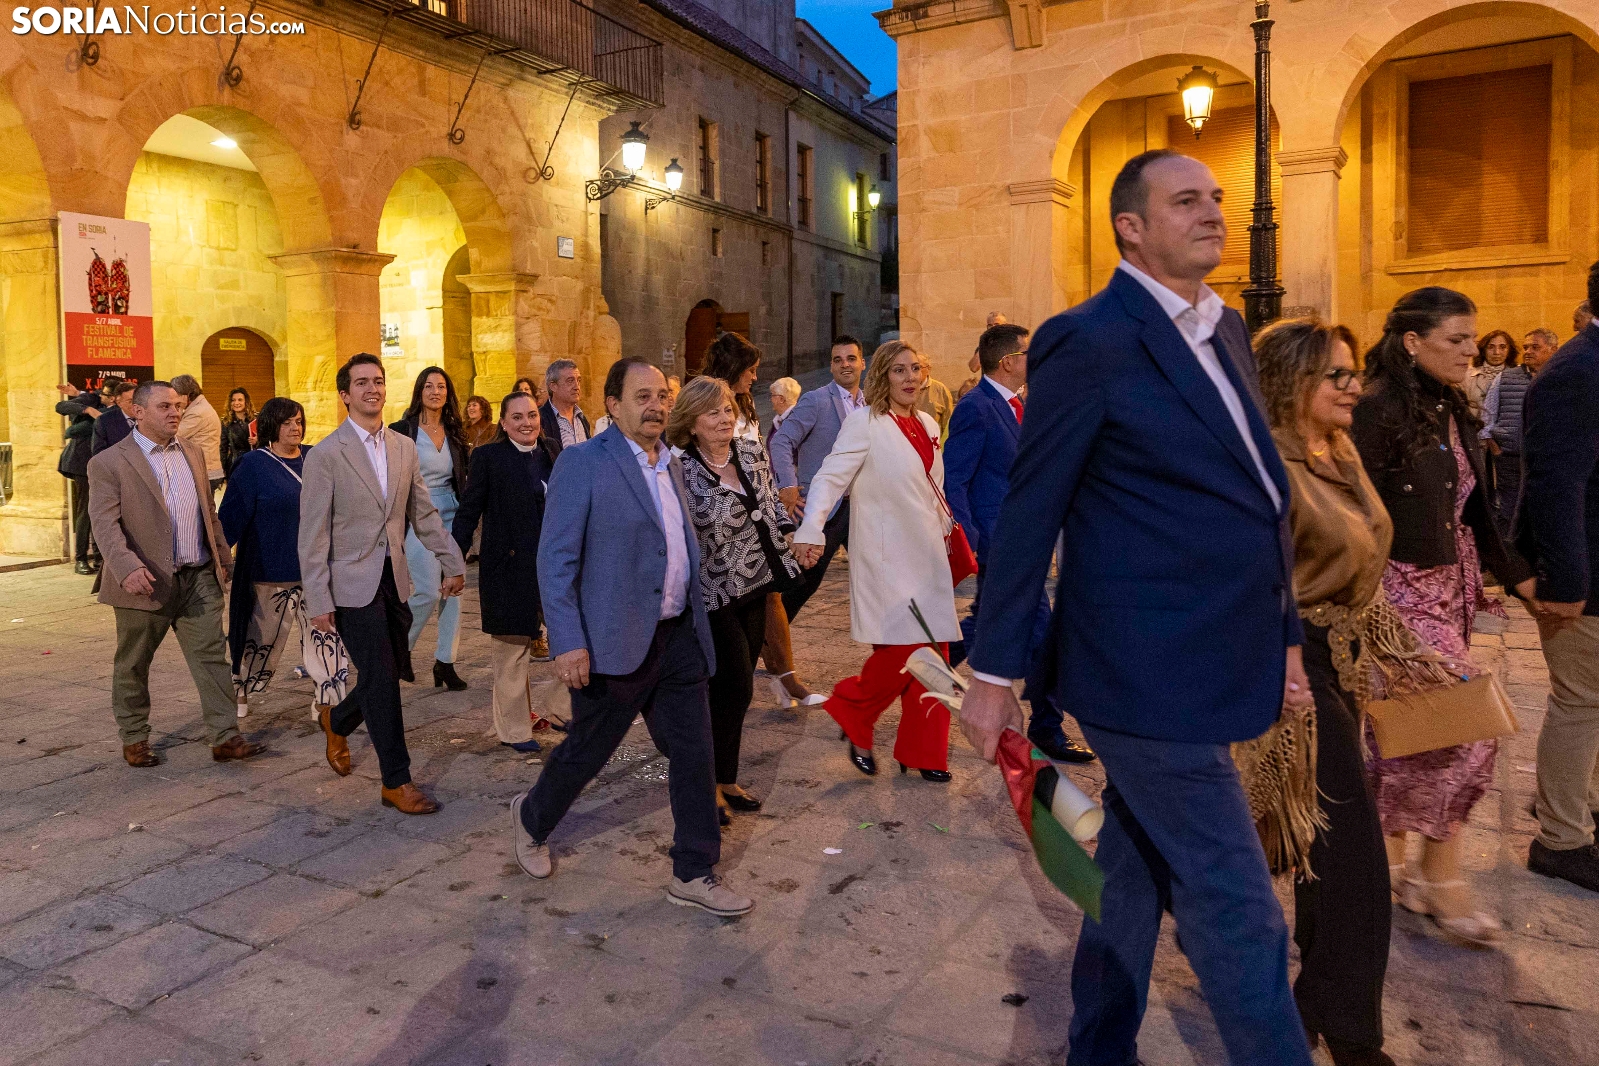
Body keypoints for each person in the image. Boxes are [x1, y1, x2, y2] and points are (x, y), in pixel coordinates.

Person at [960, 149, 1314, 1066]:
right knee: (1238, 908)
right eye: (1186, 200)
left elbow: (1259, 490)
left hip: (1213, 652)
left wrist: (1283, 633)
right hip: (1139, 672)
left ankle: (1096, 1048)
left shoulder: (1224, 327)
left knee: (1130, 869)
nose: (1214, 212)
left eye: (1216, 198)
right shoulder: (1088, 338)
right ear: (1131, 226)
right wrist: (991, 672)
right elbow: (1030, 508)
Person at [513, 357, 753, 918]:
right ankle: (531, 817)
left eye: (663, 396)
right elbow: (555, 558)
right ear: (613, 404)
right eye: (643, 396)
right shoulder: (583, 462)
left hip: (677, 635)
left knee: (695, 751)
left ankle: (693, 871)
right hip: (612, 641)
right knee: (588, 750)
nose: (657, 406)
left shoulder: (672, 463)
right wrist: (568, 640)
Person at [1351, 286, 1534, 945]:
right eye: (1456, 339)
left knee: (1412, 735)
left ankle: (1402, 869)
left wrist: (1519, 576)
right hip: (1397, 591)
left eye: (1471, 339)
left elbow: (1476, 507)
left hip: (1451, 586)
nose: (1470, 351)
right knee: (1465, 726)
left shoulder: (1449, 403)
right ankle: (1441, 878)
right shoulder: (1375, 407)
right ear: (1412, 341)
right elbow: (1355, 512)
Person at [1256, 318, 1398, 1066]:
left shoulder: (1336, 447)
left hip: (1342, 658)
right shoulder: (1267, 464)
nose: (1353, 388)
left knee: (1321, 842)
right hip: (1291, 661)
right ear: (1289, 382)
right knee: (1353, 855)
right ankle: (1350, 1031)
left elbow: (1367, 547)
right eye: (1335, 376)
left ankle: (1317, 997)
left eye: (1354, 373)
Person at [300, 353, 466, 815]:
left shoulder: (403, 447)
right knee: (381, 679)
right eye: (361, 382)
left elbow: (423, 513)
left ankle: (337, 719)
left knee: (388, 672)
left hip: (394, 578)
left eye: (378, 380)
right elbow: (312, 536)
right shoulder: (326, 455)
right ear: (345, 394)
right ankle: (397, 780)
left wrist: (452, 560)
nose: (372, 388)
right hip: (349, 584)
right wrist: (318, 599)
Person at [792, 340, 962, 781]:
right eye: (899, 370)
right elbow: (830, 477)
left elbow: (932, 489)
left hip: (927, 556)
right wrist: (811, 528)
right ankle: (852, 708)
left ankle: (924, 752)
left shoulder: (927, 423)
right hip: (887, 559)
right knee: (904, 652)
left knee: (935, 654)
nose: (910, 378)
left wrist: (949, 533)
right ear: (883, 375)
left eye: (916, 369)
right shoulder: (864, 422)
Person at [86, 380, 266, 769]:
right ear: (138, 412)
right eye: (165, 406)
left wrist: (223, 558)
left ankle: (225, 736)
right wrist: (127, 566)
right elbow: (104, 523)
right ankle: (134, 737)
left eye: (178, 406)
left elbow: (208, 511)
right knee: (133, 662)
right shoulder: (109, 462)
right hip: (145, 581)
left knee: (212, 657)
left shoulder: (192, 451)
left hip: (197, 575)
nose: (175, 413)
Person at [942, 323, 1094, 764]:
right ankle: (1048, 728)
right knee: (1043, 635)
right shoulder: (976, 407)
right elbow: (956, 480)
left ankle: (927, 666)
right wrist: (972, 541)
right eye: (1029, 351)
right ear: (1008, 361)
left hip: (1024, 540)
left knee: (986, 624)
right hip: (999, 544)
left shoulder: (1017, 404)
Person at [669, 376, 802, 823]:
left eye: (727, 409)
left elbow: (772, 503)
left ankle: (725, 778)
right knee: (733, 684)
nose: (725, 418)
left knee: (737, 691)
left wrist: (791, 535)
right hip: (714, 593)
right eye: (713, 412)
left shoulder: (750, 452)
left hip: (757, 584)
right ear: (692, 423)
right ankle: (705, 784)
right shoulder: (680, 469)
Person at [1519, 261, 1599, 894]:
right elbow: (1554, 484)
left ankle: (1576, 802)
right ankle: (1561, 839)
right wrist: (1567, 582)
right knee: (1579, 701)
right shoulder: (1577, 371)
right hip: (1585, 576)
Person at [705, 334, 821, 710]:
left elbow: (757, 465)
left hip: (756, 514)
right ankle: (760, 678)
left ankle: (785, 677)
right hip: (724, 521)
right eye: (751, 370)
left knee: (771, 596)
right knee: (737, 605)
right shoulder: (708, 401)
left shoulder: (746, 405)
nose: (755, 377)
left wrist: (780, 521)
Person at [219, 397, 350, 721]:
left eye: (299, 421)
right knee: (260, 642)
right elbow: (231, 515)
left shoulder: (315, 457)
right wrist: (218, 558)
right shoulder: (253, 465)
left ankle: (327, 701)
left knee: (326, 636)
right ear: (271, 426)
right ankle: (240, 686)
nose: (295, 427)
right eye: (287, 422)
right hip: (270, 568)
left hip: (316, 570)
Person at [452, 391, 557, 754]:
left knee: (572, 639)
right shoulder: (488, 457)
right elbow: (469, 510)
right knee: (512, 651)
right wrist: (454, 559)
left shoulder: (552, 451)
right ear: (503, 422)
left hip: (553, 565)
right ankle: (514, 729)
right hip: (508, 568)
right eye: (517, 417)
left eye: (532, 415)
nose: (527, 423)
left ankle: (560, 710)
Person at [770, 335, 867, 672]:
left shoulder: (869, 405)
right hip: (826, 508)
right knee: (803, 581)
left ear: (862, 363)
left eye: (851, 358)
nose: (845, 365)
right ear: (831, 366)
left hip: (862, 507)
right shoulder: (816, 401)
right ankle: (769, 644)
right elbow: (782, 441)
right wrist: (788, 486)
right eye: (838, 359)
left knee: (874, 577)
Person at [390, 366, 470, 691]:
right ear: (419, 391)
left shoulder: (455, 433)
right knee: (426, 589)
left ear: (448, 394)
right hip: (418, 516)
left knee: (454, 589)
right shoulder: (402, 431)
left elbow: (462, 478)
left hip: (451, 513)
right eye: (429, 386)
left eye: (441, 387)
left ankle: (445, 662)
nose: (435, 392)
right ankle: (398, 650)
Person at [1481, 327, 1556, 535]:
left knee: (1545, 509)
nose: (1528, 351)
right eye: (1525, 347)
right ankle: (1508, 551)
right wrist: (1495, 448)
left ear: (1553, 349)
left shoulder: (1561, 377)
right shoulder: (1505, 378)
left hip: (1547, 458)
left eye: (1535, 347)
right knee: (1508, 509)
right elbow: (1487, 416)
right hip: (1509, 457)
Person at [56, 383, 102, 574]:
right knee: (86, 510)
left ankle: (100, 559)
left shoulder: (116, 410)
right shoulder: (93, 399)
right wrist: (87, 409)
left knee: (102, 512)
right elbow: (61, 406)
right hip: (81, 464)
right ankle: (81, 558)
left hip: (103, 466)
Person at [170, 374, 224, 493]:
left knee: (199, 506)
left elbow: (174, 435)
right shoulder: (199, 407)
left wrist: (177, 409)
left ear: (186, 395)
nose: (174, 400)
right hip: (205, 470)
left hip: (205, 472)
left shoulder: (197, 412)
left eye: (176, 396)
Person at [539, 358, 590, 456]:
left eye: (578, 380)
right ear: (553, 386)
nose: (577, 387)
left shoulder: (581, 418)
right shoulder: (540, 419)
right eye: (570, 381)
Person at [1466, 330, 1517, 417]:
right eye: (1490, 347)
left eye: (1502, 347)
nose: (1496, 352)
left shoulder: (1518, 376)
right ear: (1483, 350)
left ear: (1509, 351)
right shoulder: (1466, 375)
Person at [91, 380, 138, 457]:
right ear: (119, 403)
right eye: (130, 401)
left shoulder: (150, 418)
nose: (136, 405)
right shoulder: (104, 421)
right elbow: (99, 455)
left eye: (138, 400)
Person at [220, 387, 254, 478]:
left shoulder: (255, 420)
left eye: (240, 400)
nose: (236, 403)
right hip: (234, 464)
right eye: (233, 400)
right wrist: (221, 471)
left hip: (253, 462)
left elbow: (267, 442)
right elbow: (223, 448)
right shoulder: (226, 422)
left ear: (246, 402)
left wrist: (257, 441)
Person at [915, 373, 955, 441]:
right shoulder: (902, 388)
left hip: (933, 441)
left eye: (917, 368)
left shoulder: (940, 389)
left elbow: (948, 423)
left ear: (928, 369)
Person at [767, 376, 801, 445]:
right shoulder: (779, 420)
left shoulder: (794, 420)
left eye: (773, 395)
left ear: (781, 399)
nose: (770, 399)